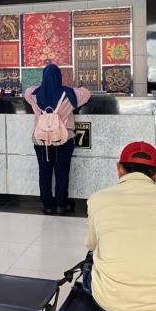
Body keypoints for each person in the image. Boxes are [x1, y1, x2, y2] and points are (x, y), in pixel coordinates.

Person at [83, 141, 156, 311]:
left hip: (110, 304)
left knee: (92, 258)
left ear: (119, 169)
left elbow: (91, 245)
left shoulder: (98, 199)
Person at [24, 64, 91, 215]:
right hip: (64, 138)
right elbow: (87, 93)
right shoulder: (69, 94)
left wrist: (42, 86)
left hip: (41, 140)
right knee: (62, 172)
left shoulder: (34, 94)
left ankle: (48, 205)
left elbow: (27, 91)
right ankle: (61, 204)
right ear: (59, 77)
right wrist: (70, 87)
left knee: (44, 172)